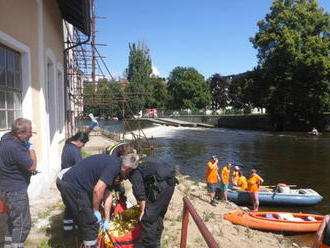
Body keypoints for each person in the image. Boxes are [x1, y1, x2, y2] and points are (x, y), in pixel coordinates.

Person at [56, 153, 139, 248]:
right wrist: (95, 211)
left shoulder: (116, 163)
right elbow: (97, 190)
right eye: (130, 173)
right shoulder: (114, 167)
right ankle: (86, 244)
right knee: (90, 221)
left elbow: (107, 194)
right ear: (128, 169)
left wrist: (107, 219)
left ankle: (72, 238)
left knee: (82, 214)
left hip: (75, 183)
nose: (127, 176)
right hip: (72, 185)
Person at [0, 118, 37, 248]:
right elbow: (31, 166)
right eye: (30, 132)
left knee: (12, 220)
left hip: (5, 187)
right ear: (20, 133)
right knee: (22, 223)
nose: (31, 134)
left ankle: (8, 245)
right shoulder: (15, 147)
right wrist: (31, 148)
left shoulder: (6, 138)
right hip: (15, 191)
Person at [128, 157, 177, 248]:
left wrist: (142, 210)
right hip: (171, 183)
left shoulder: (134, 170)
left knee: (147, 218)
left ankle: (150, 244)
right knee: (158, 215)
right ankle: (156, 241)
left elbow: (139, 192)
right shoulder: (143, 161)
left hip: (161, 185)